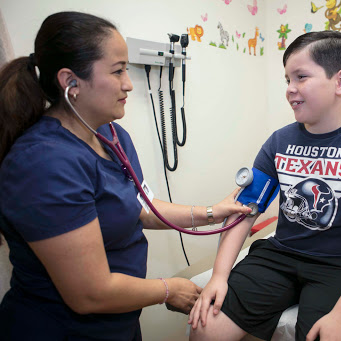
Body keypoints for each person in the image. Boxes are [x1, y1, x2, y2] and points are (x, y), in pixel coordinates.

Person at [0, 11, 251, 340]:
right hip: (60, 329)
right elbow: (89, 293)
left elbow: (139, 207)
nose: (129, 83)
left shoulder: (110, 135)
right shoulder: (44, 164)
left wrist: (211, 213)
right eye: (118, 71)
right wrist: (167, 289)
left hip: (117, 324)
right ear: (69, 81)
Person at [188, 30, 341, 341]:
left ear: (340, 82)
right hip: (281, 254)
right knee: (205, 328)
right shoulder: (280, 141)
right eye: (287, 80)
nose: (290, 89)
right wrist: (219, 276)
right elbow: (245, 210)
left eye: (301, 77)